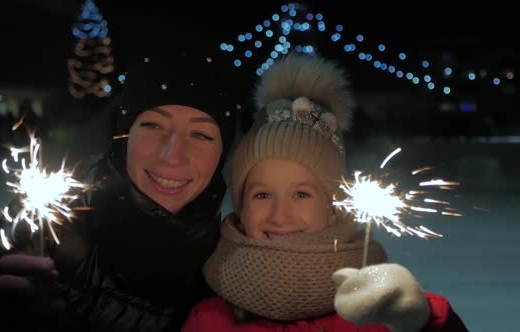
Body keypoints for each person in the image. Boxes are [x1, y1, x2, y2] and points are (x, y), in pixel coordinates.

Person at [0, 54, 243, 332]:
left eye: (201, 134)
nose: (172, 156)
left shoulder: (226, 270)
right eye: (153, 125)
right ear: (123, 136)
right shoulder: (46, 220)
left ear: (223, 153)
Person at [183, 54, 468, 332]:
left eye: (302, 194)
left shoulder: (375, 315)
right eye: (262, 195)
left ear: (333, 207)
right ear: (241, 207)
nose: (280, 216)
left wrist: (428, 321)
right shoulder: (208, 320)